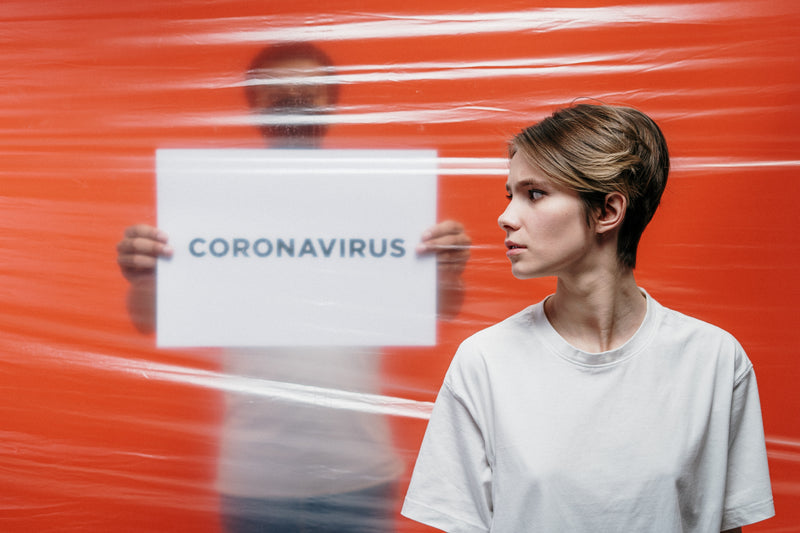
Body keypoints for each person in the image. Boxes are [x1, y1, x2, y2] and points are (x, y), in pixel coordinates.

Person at [117, 42, 470, 532]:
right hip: (257, 478)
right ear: (253, 106)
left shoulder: (375, 198)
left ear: (332, 103)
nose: (293, 103)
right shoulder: (212, 203)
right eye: (276, 94)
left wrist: (447, 270)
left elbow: (441, 308)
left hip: (361, 470)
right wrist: (144, 274)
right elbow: (149, 316)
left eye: (308, 93)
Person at [401, 103, 774, 532]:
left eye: (534, 194)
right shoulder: (485, 362)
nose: (505, 217)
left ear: (607, 211)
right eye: (511, 195)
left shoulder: (713, 361)